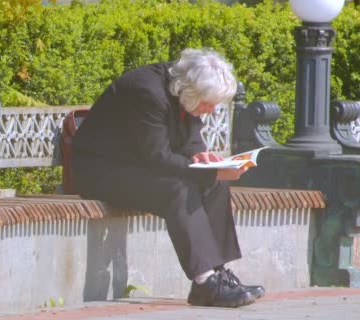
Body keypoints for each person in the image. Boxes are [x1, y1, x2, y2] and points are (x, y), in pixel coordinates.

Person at [71, 48, 264, 307]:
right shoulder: (147, 92)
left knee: (215, 186)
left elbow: (190, 134)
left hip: (135, 167)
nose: (211, 110)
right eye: (208, 103)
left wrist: (203, 159)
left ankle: (219, 276)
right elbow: (157, 157)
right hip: (100, 172)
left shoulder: (182, 87)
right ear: (190, 92)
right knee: (178, 189)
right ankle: (204, 281)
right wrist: (211, 171)